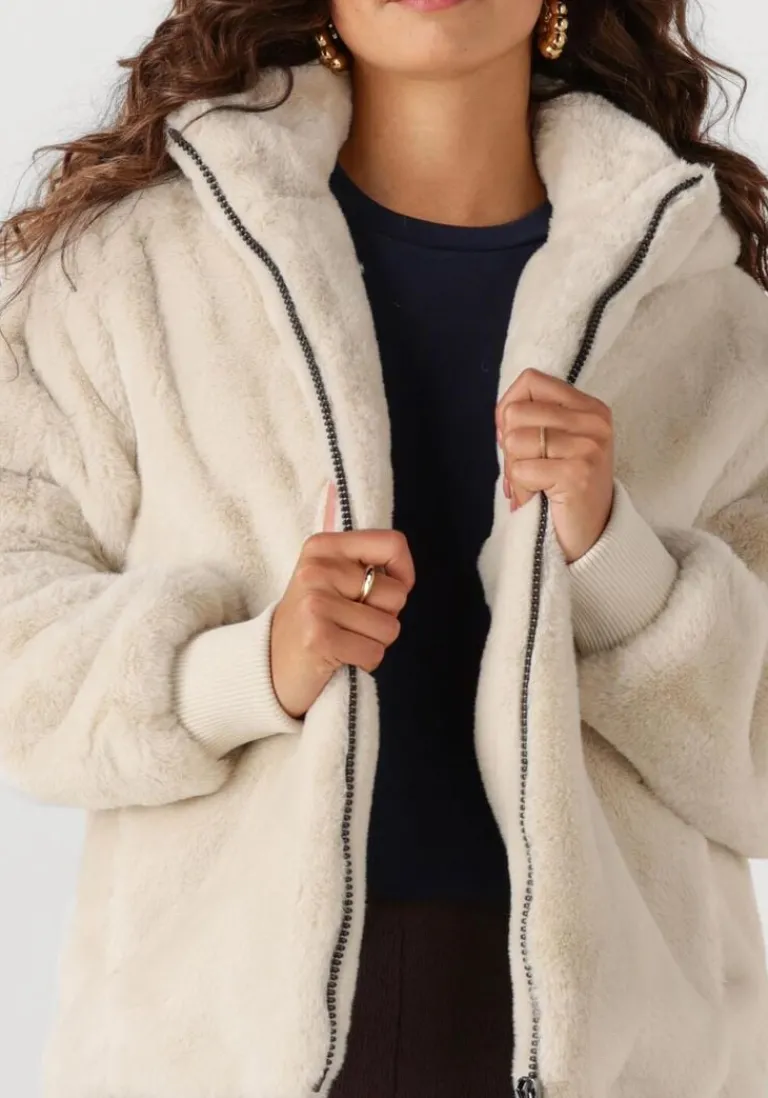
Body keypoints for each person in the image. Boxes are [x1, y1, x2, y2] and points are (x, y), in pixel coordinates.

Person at [1, 0, 768, 1095]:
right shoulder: (136, 274)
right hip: (223, 1047)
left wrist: (614, 562)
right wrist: (250, 669)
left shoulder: (709, 316)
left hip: (622, 1056)